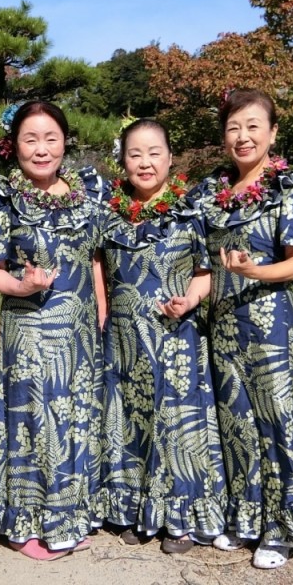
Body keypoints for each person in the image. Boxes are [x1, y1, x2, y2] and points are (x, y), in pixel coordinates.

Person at [188, 88, 293, 569]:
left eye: (253, 126)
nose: (243, 136)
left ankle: (284, 528)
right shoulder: (211, 194)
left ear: (273, 132)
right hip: (224, 326)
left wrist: (254, 271)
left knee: (279, 423)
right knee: (236, 424)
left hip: (272, 326)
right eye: (233, 127)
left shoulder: (291, 186)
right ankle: (248, 518)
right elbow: (199, 260)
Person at [0, 100, 107, 560]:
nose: (41, 149)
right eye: (30, 139)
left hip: (80, 330)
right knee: (32, 420)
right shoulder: (0, 195)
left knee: (74, 418)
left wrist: (102, 310)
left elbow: (95, 257)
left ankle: (67, 516)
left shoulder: (89, 190)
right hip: (28, 328)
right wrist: (22, 286)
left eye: (50, 138)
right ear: (13, 146)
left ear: (65, 141)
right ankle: (24, 525)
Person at [98, 119, 226, 553]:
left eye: (154, 153)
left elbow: (205, 272)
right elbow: (98, 268)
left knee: (176, 424)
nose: (145, 162)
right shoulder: (109, 214)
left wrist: (189, 301)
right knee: (131, 420)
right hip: (124, 338)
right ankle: (138, 509)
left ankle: (182, 518)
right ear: (123, 161)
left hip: (175, 335)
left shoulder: (191, 211)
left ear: (171, 158)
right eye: (135, 154)